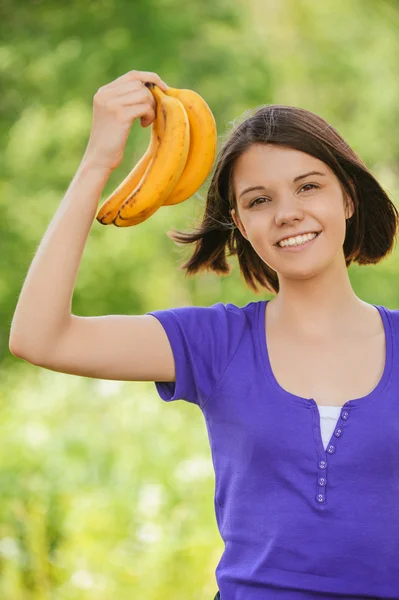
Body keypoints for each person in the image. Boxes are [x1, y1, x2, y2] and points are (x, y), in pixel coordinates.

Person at [8, 69, 399, 599]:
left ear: (348, 198)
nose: (288, 213)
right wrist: (98, 160)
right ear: (239, 222)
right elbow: (39, 337)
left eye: (308, 186)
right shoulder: (214, 343)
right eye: (259, 200)